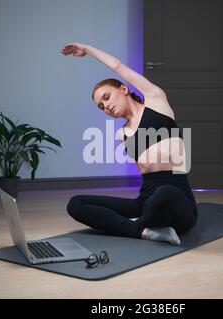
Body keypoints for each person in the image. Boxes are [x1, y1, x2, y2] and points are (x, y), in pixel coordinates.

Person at [61, 43, 197, 245]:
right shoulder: (122, 134)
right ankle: (143, 231)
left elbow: (118, 66)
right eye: (101, 106)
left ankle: (131, 225)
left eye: (107, 97)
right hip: (146, 203)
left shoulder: (155, 101)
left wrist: (88, 50)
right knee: (76, 204)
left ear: (124, 89)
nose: (106, 106)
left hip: (177, 201)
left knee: (164, 194)